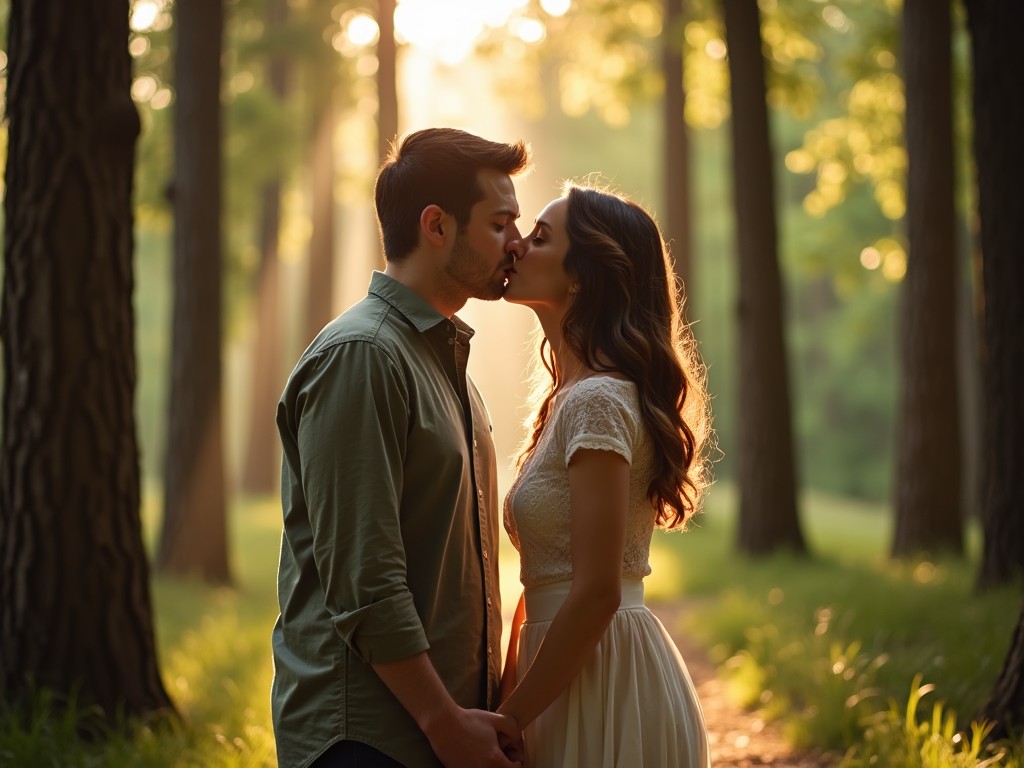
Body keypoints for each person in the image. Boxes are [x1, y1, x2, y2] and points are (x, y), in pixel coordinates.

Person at [271, 127, 531, 768]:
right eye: (500, 224)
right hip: (367, 739)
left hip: (439, 736)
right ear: (437, 226)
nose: (517, 244)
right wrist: (443, 722)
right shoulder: (362, 356)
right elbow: (366, 577)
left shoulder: (442, 362)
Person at [497, 181, 714, 766]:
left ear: (583, 276)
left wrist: (509, 719)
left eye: (539, 238)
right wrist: (509, 692)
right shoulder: (569, 399)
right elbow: (547, 576)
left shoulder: (597, 401)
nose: (515, 246)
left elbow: (595, 591)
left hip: (604, 681)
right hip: (562, 672)